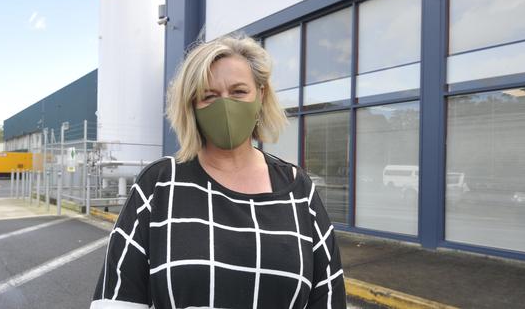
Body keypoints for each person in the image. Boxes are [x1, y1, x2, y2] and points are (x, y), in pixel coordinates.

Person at [90, 35, 346, 308]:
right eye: (209, 96)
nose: (225, 106)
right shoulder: (159, 185)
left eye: (238, 92)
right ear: (192, 106)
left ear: (261, 95)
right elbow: (117, 298)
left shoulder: (297, 188)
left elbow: (328, 296)